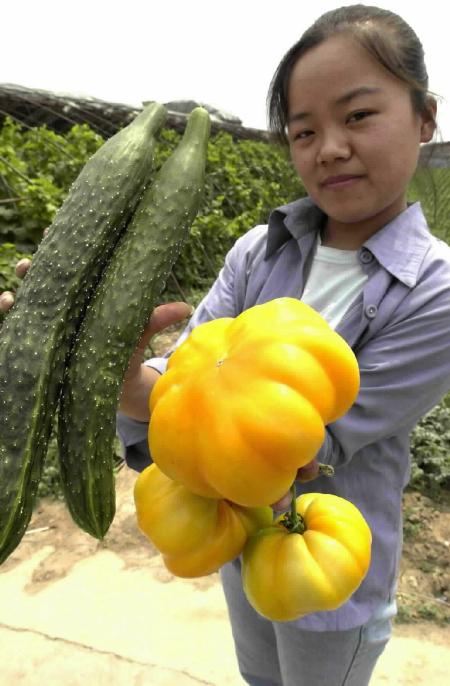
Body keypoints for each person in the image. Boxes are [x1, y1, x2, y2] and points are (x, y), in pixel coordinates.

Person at [2, 5, 450, 685]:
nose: (329, 147)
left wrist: (157, 394)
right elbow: (185, 380)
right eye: (303, 130)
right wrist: (119, 373)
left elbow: (307, 447)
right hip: (238, 553)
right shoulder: (257, 250)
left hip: (335, 578)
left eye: (358, 116)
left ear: (425, 118)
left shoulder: (436, 292)